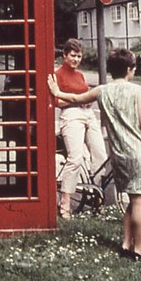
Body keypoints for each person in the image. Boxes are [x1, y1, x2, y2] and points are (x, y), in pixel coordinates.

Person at [48, 48, 141, 262]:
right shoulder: (137, 90)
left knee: (131, 200)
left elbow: (75, 97)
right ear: (129, 69)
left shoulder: (102, 90)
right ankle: (138, 249)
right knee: (139, 200)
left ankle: (125, 243)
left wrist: (56, 92)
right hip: (138, 152)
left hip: (117, 152)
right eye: (133, 68)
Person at [53, 39, 108, 219]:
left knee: (100, 156)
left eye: (79, 56)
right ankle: (65, 202)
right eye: (73, 56)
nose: (76, 59)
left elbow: (87, 95)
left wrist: (87, 100)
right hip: (71, 116)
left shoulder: (80, 75)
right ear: (64, 55)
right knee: (75, 158)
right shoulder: (57, 75)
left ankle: (97, 196)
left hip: (88, 114)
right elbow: (57, 101)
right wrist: (78, 100)